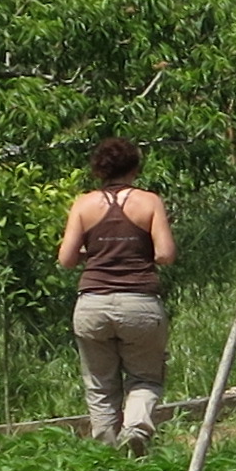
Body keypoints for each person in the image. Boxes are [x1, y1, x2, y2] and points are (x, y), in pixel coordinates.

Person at [58, 137, 175, 451]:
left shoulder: (83, 204)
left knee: (100, 386)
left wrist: (94, 252)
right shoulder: (149, 202)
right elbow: (165, 254)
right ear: (135, 168)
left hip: (92, 304)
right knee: (145, 378)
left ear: (99, 169)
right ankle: (135, 430)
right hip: (139, 304)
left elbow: (66, 259)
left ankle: (107, 454)